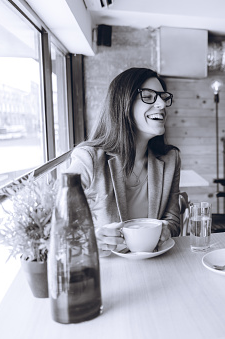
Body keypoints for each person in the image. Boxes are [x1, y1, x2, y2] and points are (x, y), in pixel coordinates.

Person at [65, 67, 181, 257]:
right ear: (123, 103)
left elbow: (173, 218)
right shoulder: (88, 159)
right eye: (149, 96)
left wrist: (167, 229)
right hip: (107, 270)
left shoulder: (170, 159)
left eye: (162, 96)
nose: (161, 104)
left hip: (156, 265)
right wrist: (91, 238)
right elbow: (58, 221)